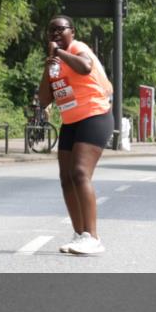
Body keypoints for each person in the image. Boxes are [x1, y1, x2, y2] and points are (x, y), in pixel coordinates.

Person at [36, 15, 114, 255]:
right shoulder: (55, 61)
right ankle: (80, 234)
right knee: (66, 178)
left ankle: (93, 237)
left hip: (94, 116)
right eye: (51, 31)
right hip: (70, 121)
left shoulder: (77, 48)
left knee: (80, 173)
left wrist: (59, 53)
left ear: (73, 31)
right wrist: (49, 66)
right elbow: (45, 98)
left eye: (60, 29)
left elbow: (85, 67)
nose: (55, 34)